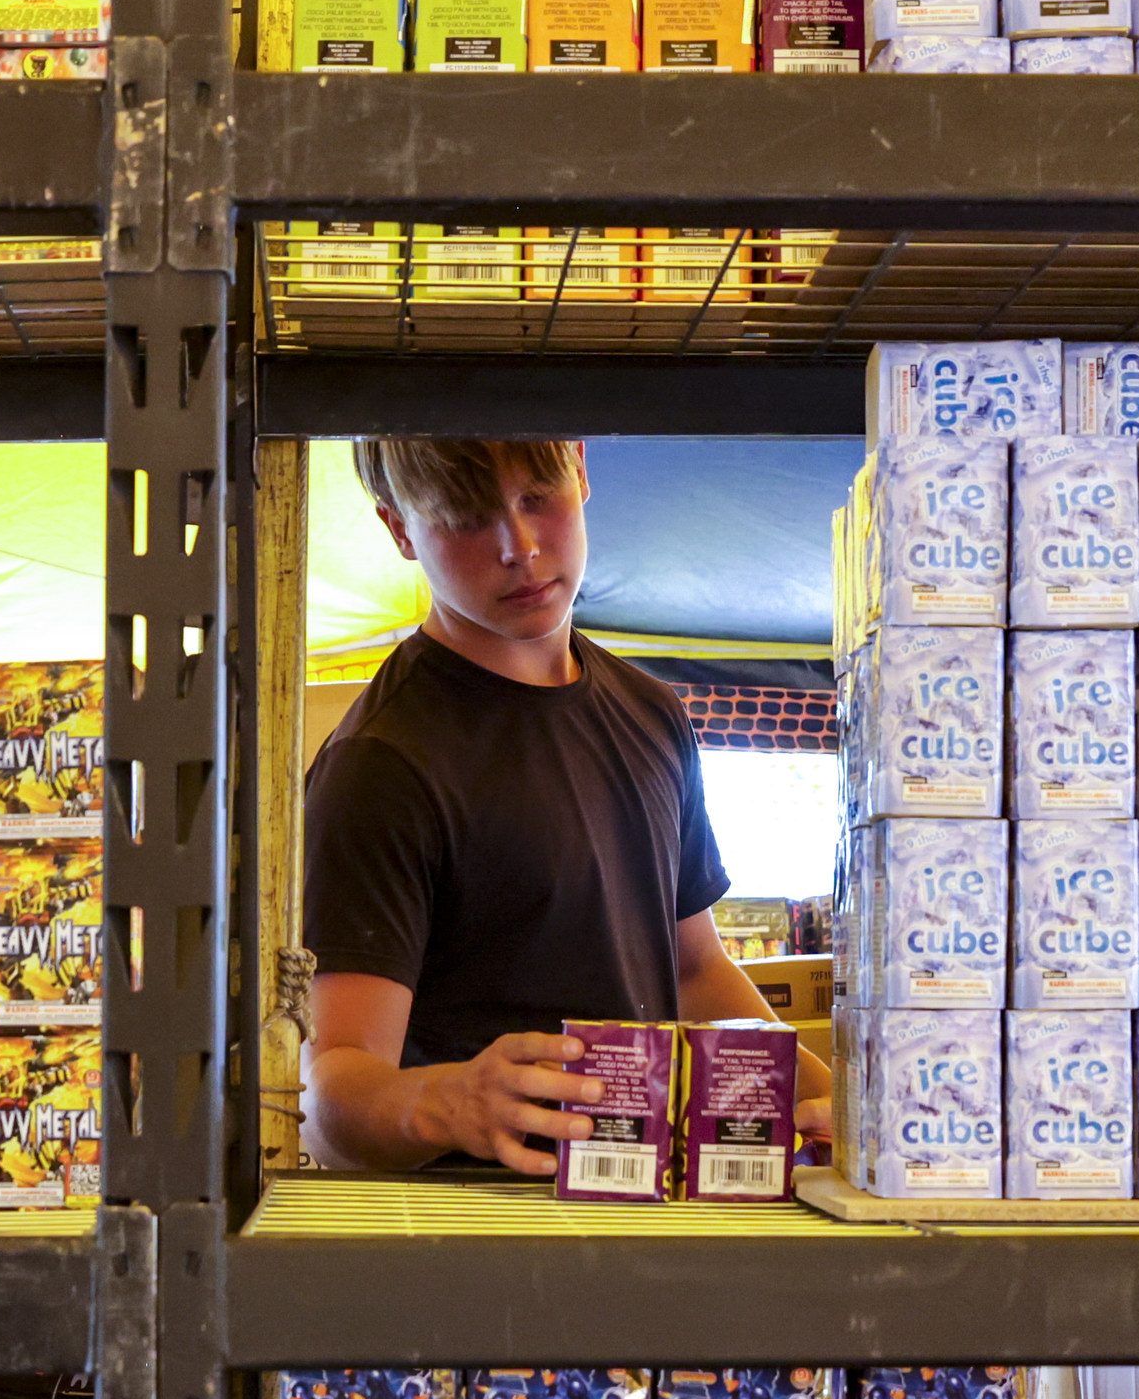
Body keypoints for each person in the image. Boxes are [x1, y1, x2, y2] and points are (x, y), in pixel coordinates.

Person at [299, 437, 831, 1174]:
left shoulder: (653, 713)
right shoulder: (380, 763)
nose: (517, 547)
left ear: (580, 468)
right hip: (472, 1228)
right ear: (399, 528)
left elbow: (696, 972)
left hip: (647, 1213)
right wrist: (449, 1102)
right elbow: (329, 1098)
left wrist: (834, 1103)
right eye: (465, 517)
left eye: (536, 498)